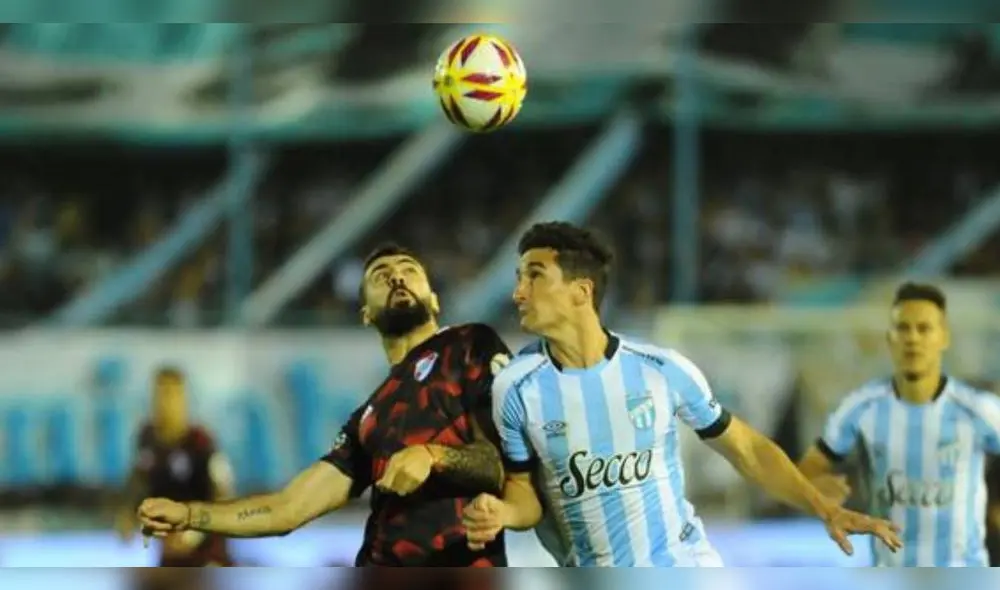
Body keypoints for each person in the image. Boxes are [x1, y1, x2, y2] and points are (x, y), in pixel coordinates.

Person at [461, 221, 902, 567]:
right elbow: (525, 491)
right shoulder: (516, 388)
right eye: (518, 278)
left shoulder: (660, 369)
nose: (518, 292)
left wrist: (824, 508)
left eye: (534, 276)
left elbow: (746, 450)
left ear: (581, 291)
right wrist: (503, 513)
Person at [136, 243, 512, 567]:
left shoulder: (470, 345)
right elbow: (288, 509)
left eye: (409, 271)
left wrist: (434, 456)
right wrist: (188, 515)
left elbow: (503, 466)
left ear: (434, 298)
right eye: (381, 275)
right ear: (366, 313)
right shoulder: (370, 416)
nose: (397, 277)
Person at [797, 282, 1000, 567]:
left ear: (944, 337)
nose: (913, 339)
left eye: (924, 328)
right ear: (890, 338)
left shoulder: (979, 409)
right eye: (903, 328)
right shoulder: (860, 407)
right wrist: (820, 494)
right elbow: (806, 471)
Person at [115, 367, 235, 567]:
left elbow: (223, 495)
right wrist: (127, 515)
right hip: (170, 556)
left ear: (184, 399)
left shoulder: (202, 443)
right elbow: (138, 481)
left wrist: (194, 532)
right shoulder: (147, 439)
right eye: (160, 394)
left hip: (207, 555)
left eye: (172, 395)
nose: (165, 403)